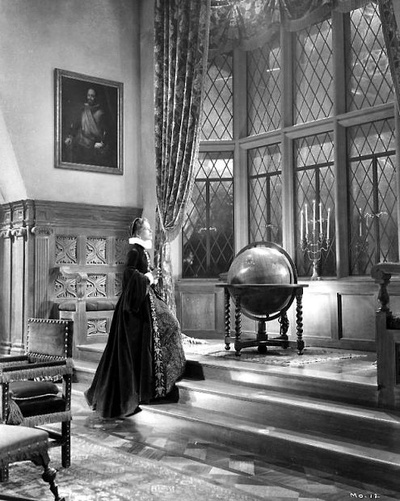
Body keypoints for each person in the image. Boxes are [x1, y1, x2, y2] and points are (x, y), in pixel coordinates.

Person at [85, 217, 186, 419]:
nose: (150, 232)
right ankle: (140, 391)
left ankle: (152, 385)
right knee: (162, 330)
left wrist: (151, 277)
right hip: (134, 308)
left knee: (169, 325)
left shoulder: (141, 251)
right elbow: (129, 276)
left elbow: (141, 274)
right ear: (139, 233)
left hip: (144, 301)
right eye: (147, 230)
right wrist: (147, 277)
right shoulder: (134, 251)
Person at [64, 87, 110, 166]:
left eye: (92, 96)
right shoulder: (83, 110)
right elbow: (76, 125)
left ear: (96, 97)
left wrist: (102, 143)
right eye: (88, 95)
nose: (90, 98)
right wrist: (70, 137)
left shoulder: (101, 113)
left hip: (95, 146)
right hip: (81, 144)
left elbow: (106, 131)